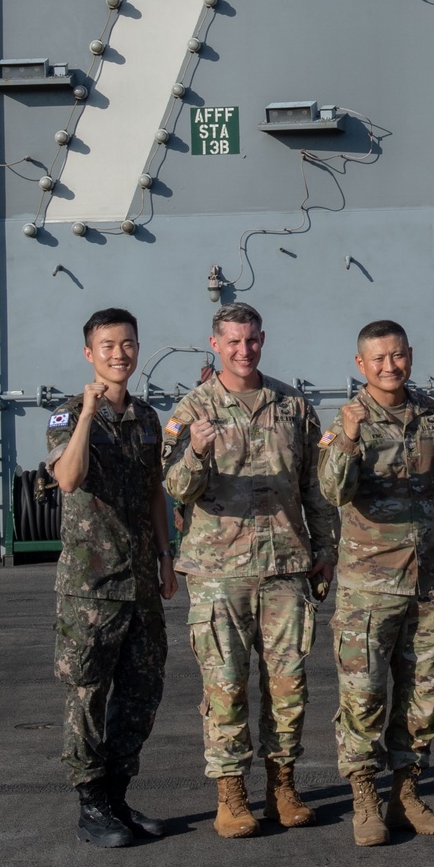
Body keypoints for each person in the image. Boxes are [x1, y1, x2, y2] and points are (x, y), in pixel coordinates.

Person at [163, 303, 337, 839]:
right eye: (233, 342)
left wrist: (326, 547)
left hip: (286, 566)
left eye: (252, 341)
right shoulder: (191, 409)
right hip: (219, 572)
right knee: (225, 686)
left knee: (288, 686)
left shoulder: (292, 405)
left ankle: (282, 784)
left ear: (263, 339)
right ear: (214, 344)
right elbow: (174, 489)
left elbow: (316, 485)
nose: (244, 351)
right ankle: (231, 793)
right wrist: (194, 452)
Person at [319, 319, 434, 847]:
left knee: (423, 696)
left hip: (427, 581)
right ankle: (365, 798)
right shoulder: (347, 421)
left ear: (410, 355)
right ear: (361, 364)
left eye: (398, 355)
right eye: (378, 358)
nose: (390, 366)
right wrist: (351, 438)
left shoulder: (432, 414)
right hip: (369, 586)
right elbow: (332, 491)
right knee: (363, 697)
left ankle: (407, 794)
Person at [47, 308, 176, 848]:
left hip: (141, 583)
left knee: (142, 692)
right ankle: (90, 803)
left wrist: (168, 557)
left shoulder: (147, 419)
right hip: (90, 587)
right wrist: (86, 416)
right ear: (88, 353)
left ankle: (118, 794)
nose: (119, 354)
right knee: (88, 693)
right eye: (107, 345)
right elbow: (69, 479)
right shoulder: (65, 414)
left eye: (127, 344)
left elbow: (153, 492)